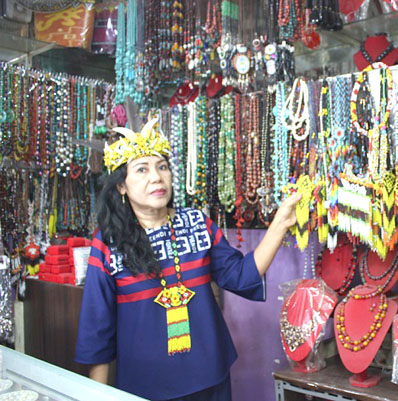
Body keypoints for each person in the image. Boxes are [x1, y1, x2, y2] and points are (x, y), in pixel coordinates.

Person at [74, 118, 302, 401]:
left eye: (162, 167)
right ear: (121, 187)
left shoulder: (197, 223)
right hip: (145, 386)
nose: (156, 177)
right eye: (142, 170)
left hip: (210, 378)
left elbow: (240, 275)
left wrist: (280, 222)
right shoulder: (107, 245)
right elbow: (98, 331)